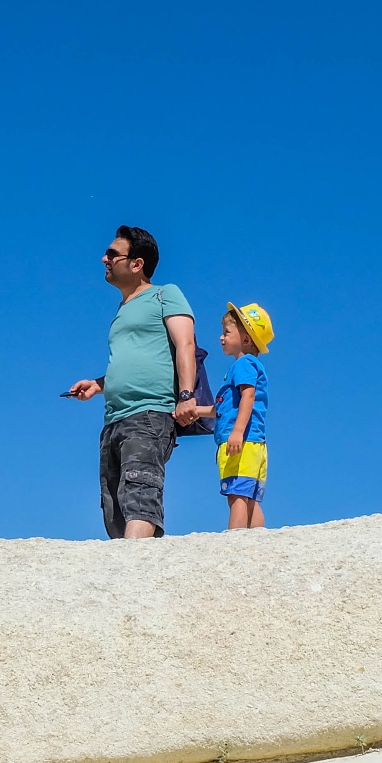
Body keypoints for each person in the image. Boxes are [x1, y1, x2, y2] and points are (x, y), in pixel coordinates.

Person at [65, 226, 207, 539]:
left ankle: (133, 571)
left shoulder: (164, 294)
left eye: (113, 254)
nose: (104, 258)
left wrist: (186, 395)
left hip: (149, 414)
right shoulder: (122, 310)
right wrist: (99, 384)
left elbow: (185, 344)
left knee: (140, 494)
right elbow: (135, 358)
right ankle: (134, 576)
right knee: (114, 508)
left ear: (136, 263)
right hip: (113, 419)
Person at [213, 302, 274, 530]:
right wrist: (197, 411)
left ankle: (234, 539)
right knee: (251, 498)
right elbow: (228, 406)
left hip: (243, 441)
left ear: (246, 340)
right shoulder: (254, 365)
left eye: (226, 332)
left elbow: (247, 396)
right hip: (256, 443)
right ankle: (257, 539)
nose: (221, 338)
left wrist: (237, 432)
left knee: (236, 495)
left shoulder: (243, 364)